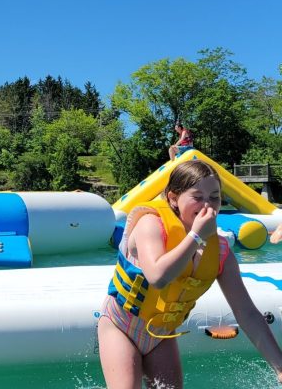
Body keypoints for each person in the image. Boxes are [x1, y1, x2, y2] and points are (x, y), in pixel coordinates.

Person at [98, 160, 282, 388]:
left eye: (214, 197)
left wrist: (280, 368)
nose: (208, 204)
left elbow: (247, 314)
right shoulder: (150, 225)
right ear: (173, 198)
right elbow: (158, 277)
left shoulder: (221, 252)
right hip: (121, 325)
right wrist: (195, 236)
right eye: (197, 196)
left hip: (160, 333)